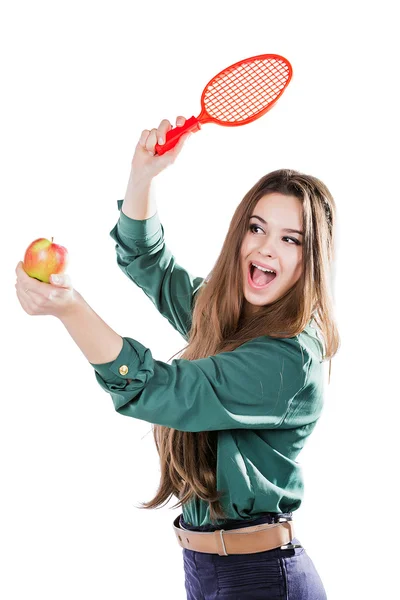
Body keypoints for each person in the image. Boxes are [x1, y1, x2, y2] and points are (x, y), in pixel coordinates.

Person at [15, 116, 339, 599]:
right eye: (257, 227)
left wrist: (70, 309)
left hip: (259, 578)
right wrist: (142, 175)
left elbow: (155, 389)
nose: (266, 247)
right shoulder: (230, 316)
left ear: (310, 258)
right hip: (205, 567)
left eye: (290, 239)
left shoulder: (288, 361)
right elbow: (150, 263)